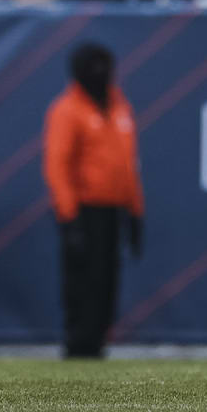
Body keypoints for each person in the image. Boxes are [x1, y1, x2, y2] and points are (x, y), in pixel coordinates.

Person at [43, 43, 144, 358]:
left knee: (107, 278)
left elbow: (128, 163)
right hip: (83, 210)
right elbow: (57, 165)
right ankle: (78, 343)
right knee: (81, 278)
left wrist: (135, 212)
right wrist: (69, 215)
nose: (100, 73)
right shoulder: (67, 109)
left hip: (113, 209)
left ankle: (98, 340)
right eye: (94, 65)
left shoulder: (119, 105)